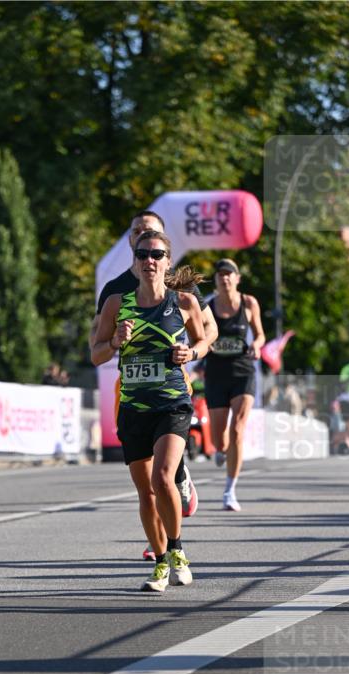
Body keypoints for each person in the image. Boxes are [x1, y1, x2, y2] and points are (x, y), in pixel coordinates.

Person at [91, 209, 217, 558]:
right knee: (148, 485)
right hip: (132, 392)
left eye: (155, 246)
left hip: (174, 392)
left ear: (167, 253)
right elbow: (95, 347)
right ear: (132, 244)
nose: (147, 253)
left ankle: (171, 541)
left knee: (162, 475)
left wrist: (192, 352)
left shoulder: (183, 291)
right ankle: (160, 542)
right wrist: (114, 341)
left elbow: (209, 331)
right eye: (137, 236)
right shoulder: (115, 292)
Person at [204, 259, 265, 511]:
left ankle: (230, 491)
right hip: (216, 374)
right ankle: (222, 450)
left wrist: (257, 346)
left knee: (238, 430)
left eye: (229, 274)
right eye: (220, 274)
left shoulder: (249, 303)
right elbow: (199, 335)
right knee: (220, 440)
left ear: (237, 279)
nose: (225, 278)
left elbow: (260, 334)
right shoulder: (207, 306)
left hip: (243, 372)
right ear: (216, 280)